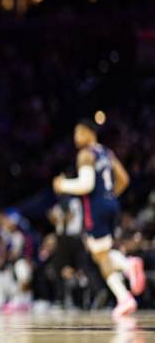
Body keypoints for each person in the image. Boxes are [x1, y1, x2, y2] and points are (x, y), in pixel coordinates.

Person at [52, 120, 145, 317]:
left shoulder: (86, 154)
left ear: (88, 133)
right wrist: (109, 196)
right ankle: (125, 291)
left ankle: (128, 273)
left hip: (96, 209)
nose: (76, 138)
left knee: (100, 255)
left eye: (78, 133)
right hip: (112, 205)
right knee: (101, 253)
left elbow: (86, 184)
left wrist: (63, 185)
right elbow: (124, 179)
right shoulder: (106, 152)